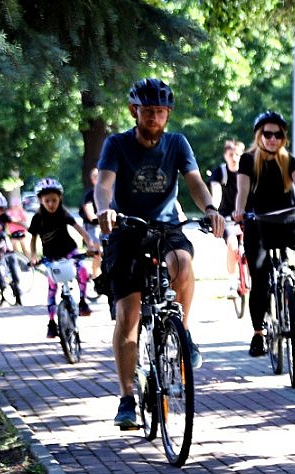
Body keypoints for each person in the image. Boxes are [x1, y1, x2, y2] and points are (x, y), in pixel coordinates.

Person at [95, 77, 225, 429]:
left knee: (183, 262)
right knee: (129, 315)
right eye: (148, 111)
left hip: (166, 226)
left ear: (168, 115)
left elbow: (195, 181)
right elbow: (103, 184)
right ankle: (126, 397)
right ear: (133, 111)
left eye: (161, 112)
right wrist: (105, 210)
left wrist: (211, 207)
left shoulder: (177, 143)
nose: (155, 118)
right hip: (126, 229)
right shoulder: (117, 144)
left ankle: (181, 331)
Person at [233, 111, 295, 357]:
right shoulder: (248, 160)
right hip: (259, 223)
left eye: (277, 134)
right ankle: (258, 334)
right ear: (259, 135)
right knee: (260, 278)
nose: (272, 139)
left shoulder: (289, 160)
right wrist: (239, 211)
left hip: (287, 220)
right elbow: (242, 190)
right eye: (267, 134)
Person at [28, 177, 97, 337]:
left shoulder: (63, 213)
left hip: (69, 250)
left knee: (82, 271)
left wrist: (90, 245)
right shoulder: (37, 218)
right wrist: (33, 256)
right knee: (52, 287)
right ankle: (51, 322)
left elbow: (80, 229)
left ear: (60, 199)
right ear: (40, 201)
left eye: (54, 200)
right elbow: (33, 239)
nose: (51, 204)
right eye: (47, 201)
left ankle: (82, 301)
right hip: (50, 255)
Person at [208, 140, 245, 289]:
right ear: (225, 156)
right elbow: (215, 194)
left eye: (237, 154)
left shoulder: (248, 173)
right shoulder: (220, 173)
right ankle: (232, 282)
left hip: (245, 214)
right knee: (233, 246)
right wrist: (213, 211)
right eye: (231, 154)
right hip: (226, 217)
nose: (234, 158)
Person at [79, 168, 103, 279]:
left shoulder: (108, 193)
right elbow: (89, 211)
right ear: (93, 179)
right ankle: (95, 274)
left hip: (105, 226)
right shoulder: (90, 194)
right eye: (97, 177)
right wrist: (95, 218)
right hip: (92, 226)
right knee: (98, 250)